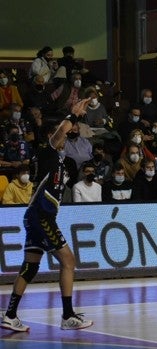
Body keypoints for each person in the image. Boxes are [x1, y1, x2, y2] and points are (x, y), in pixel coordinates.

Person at [0, 99, 93, 333]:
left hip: (36, 215)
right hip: (42, 216)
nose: (66, 135)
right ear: (51, 136)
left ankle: (10, 315)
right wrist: (73, 115)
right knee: (69, 261)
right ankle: (68, 315)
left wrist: (76, 120)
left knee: (30, 266)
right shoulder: (47, 152)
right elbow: (62, 130)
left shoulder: (60, 160)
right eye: (61, 133)